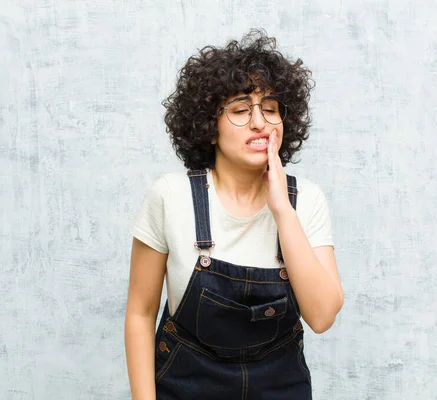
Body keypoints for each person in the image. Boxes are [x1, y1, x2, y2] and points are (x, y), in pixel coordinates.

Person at [124, 29, 344, 399]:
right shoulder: (170, 195)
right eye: (241, 110)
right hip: (185, 385)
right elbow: (140, 314)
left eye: (270, 109)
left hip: (281, 386)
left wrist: (282, 211)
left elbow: (322, 317)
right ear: (209, 128)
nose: (260, 122)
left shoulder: (306, 199)